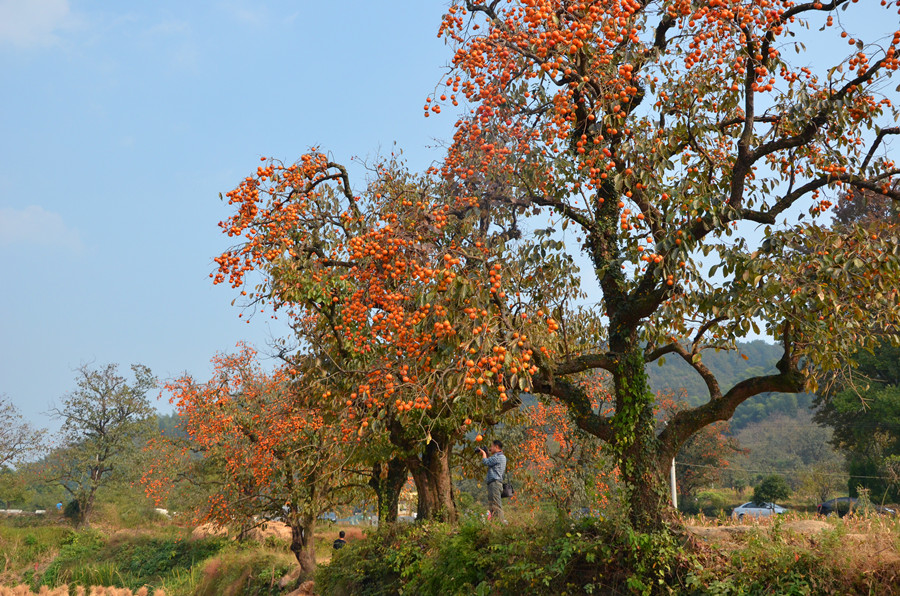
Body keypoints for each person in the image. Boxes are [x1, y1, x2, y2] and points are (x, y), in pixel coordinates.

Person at [477, 439, 507, 521]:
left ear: (496, 447)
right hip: (493, 483)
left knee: (496, 505)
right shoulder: (498, 457)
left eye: (491, 446)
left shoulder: (499, 456)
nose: (490, 448)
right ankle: (494, 523)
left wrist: (483, 453)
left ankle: (501, 523)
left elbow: (486, 462)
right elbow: (491, 461)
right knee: (492, 505)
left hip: (495, 483)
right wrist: (487, 454)